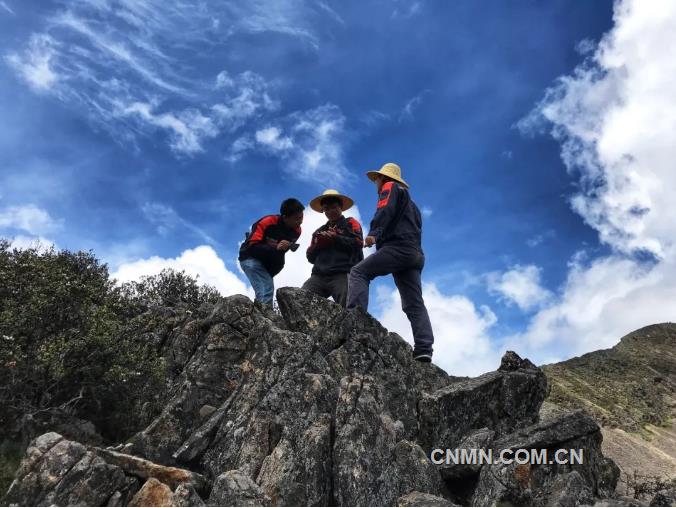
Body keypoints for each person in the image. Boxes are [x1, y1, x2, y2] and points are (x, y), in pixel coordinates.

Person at [347, 163, 435, 362]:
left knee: (359, 273)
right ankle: (423, 348)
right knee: (414, 303)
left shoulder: (390, 188)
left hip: (398, 249)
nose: (376, 183)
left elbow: (385, 209)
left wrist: (374, 233)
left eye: (377, 179)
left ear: (383, 178)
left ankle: (354, 322)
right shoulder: (413, 206)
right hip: (415, 254)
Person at [302, 189, 364, 307]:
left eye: (334, 207)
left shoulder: (350, 223)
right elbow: (310, 257)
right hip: (319, 276)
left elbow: (358, 243)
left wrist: (336, 238)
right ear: (323, 211)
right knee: (300, 298)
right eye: (326, 209)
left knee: (349, 307)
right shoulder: (319, 231)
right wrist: (318, 245)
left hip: (343, 273)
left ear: (341, 207)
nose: (330, 211)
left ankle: (351, 326)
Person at [239, 198, 304, 307]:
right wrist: (276, 248)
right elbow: (252, 246)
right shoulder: (267, 222)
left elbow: (280, 253)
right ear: (285, 218)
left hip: (267, 264)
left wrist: (283, 249)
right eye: (296, 219)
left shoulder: (297, 230)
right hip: (249, 258)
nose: (300, 221)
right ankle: (264, 320)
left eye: (301, 217)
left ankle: (262, 317)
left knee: (267, 286)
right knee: (266, 288)